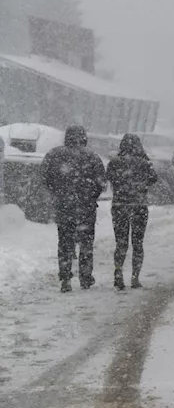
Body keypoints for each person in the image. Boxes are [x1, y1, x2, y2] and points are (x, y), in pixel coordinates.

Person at [41, 125, 106, 291]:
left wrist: (57, 194)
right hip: (86, 207)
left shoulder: (53, 155)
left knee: (64, 242)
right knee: (86, 243)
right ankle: (85, 277)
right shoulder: (92, 157)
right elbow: (100, 183)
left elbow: (45, 177)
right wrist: (90, 197)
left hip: (64, 206)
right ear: (84, 137)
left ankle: (65, 278)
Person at [105, 133, 158, 290]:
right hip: (138, 205)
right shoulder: (144, 162)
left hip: (120, 205)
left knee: (121, 242)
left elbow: (108, 177)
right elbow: (153, 178)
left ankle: (118, 271)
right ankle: (135, 277)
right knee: (137, 243)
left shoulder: (115, 162)